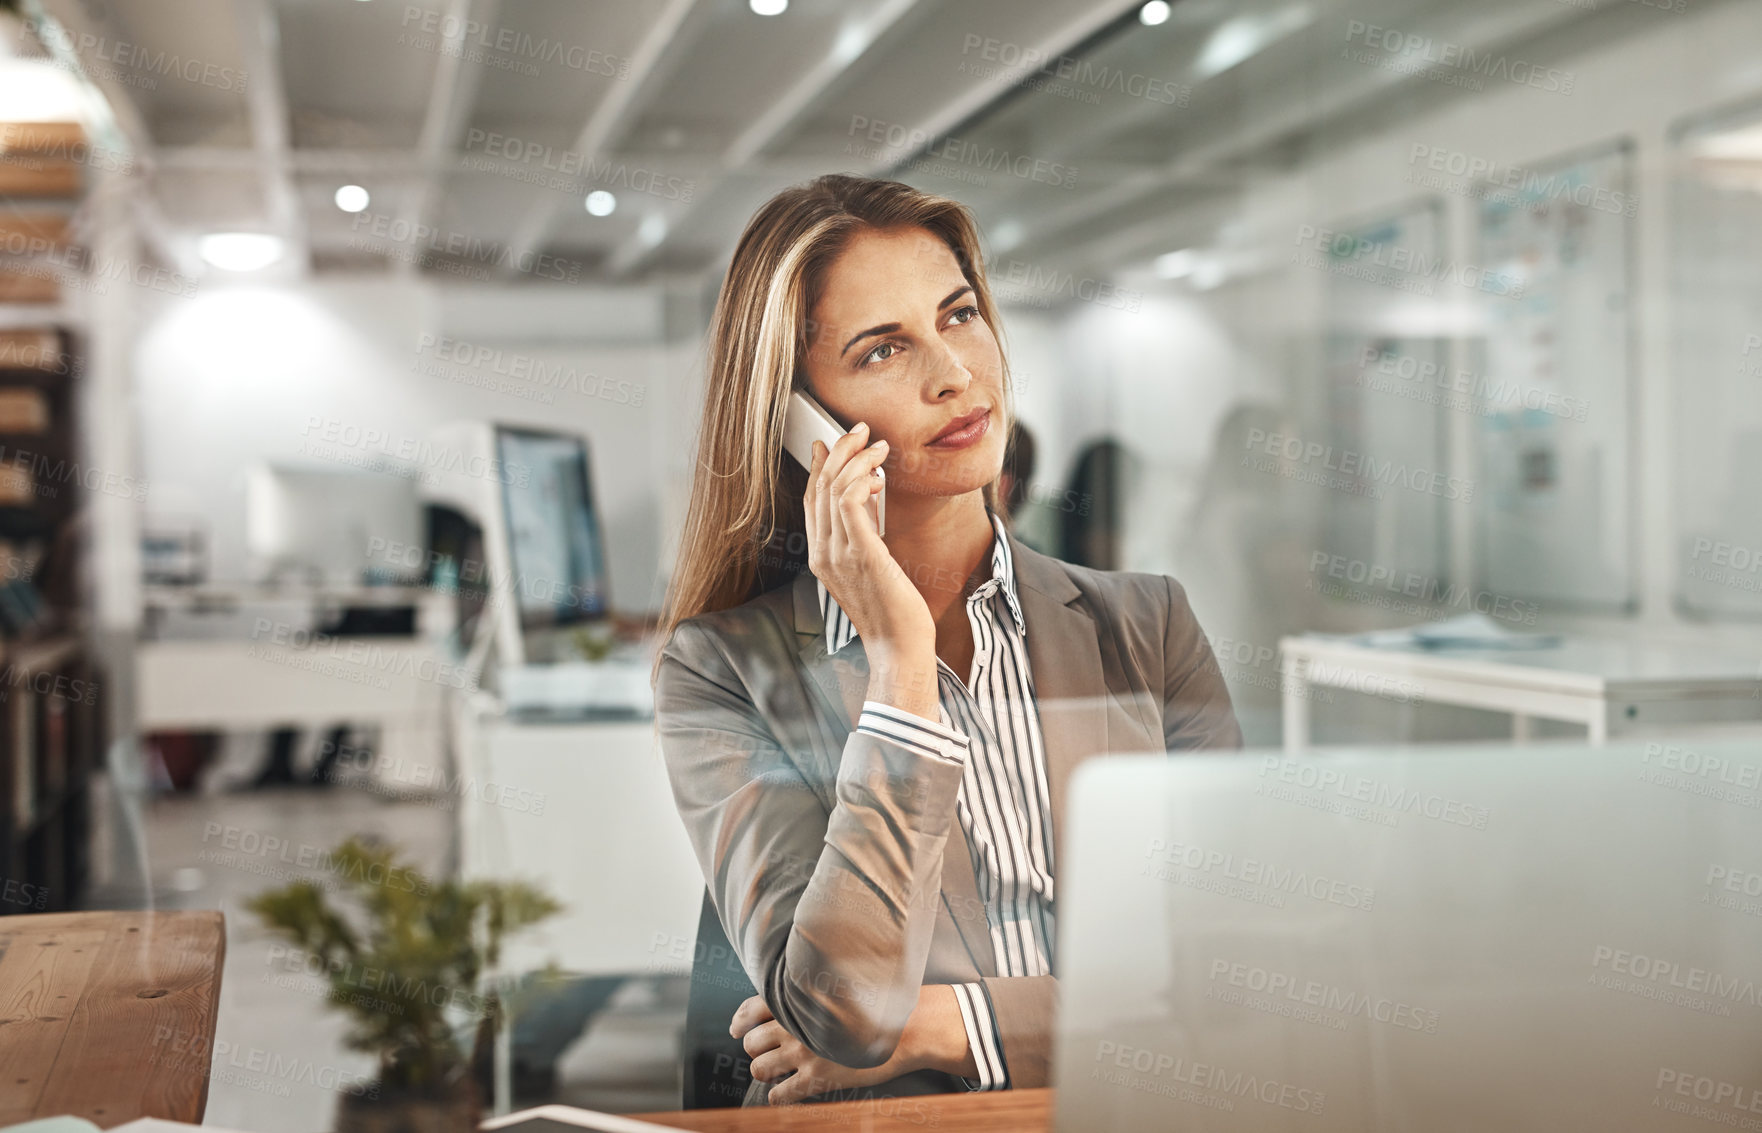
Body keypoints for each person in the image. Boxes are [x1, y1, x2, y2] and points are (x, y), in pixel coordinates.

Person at [653, 174, 1242, 1108]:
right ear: (802, 421)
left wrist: (944, 1027)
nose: (954, 373)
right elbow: (841, 1011)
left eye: (959, 315)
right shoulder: (724, 672)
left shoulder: (1148, 628)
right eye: (883, 348)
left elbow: (1226, 983)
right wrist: (898, 664)